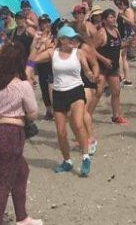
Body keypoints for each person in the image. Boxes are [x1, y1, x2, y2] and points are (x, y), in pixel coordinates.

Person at [0, 43, 43, 225]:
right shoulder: (21, 86)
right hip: (10, 134)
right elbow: (33, 113)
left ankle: (22, 217)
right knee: (3, 182)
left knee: (21, 171)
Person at [31, 26, 92, 177]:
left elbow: (86, 69)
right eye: (70, 38)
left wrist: (91, 74)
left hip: (76, 90)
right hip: (58, 93)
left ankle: (85, 157)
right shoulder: (53, 53)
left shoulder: (78, 53)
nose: (73, 41)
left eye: (74, 38)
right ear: (62, 40)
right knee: (61, 132)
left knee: (77, 124)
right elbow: (32, 60)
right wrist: (37, 46)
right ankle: (67, 161)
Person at [94, 9, 127, 123]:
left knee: (116, 91)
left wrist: (128, 43)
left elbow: (117, 46)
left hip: (113, 67)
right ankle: (87, 115)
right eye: (110, 17)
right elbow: (91, 50)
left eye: (114, 16)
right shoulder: (101, 33)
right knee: (98, 93)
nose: (113, 19)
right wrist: (104, 60)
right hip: (101, 67)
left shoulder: (116, 31)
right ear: (104, 20)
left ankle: (116, 116)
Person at [113, 0, 136, 86]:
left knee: (120, 56)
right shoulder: (122, 11)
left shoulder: (128, 10)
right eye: (117, 4)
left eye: (119, 3)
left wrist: (122, 16)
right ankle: (126, 79)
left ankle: (123, 77)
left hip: (126, 36)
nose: (118, 5)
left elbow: (132, 22)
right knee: (123, 57)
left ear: (123, 2)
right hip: (122, 35)